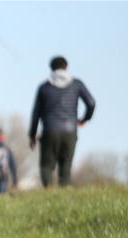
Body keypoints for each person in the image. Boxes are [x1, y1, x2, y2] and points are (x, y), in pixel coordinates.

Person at [29, 55, 96, 187]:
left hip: (49, 131)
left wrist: (32, 134)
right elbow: (91, 103)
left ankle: (48, 193)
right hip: (70, 131)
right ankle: (64, 193)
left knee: (46, 166)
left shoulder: (44, 87)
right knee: (66, 167)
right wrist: (84, 119)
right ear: (66, 67)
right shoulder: (77, 84)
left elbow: (36, 113)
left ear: (51, 69)